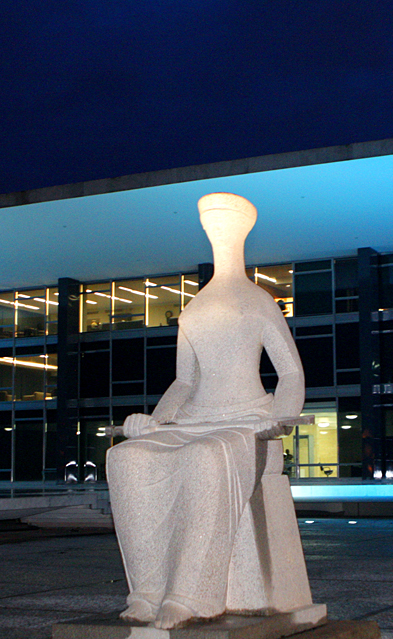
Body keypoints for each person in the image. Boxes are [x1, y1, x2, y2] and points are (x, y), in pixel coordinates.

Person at [106, 192, 305, 629]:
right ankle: (148, 590)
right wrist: (154, 421)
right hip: (194, 419)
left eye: (224, 224)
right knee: (125, 459)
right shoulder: (194, 311)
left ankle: (191, 594)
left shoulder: (259, 302)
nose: (217, 231)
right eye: (209, 224)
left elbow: (290, 373)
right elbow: (184, 382)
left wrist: (280, 419)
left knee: (204, 459)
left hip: (246, 422)